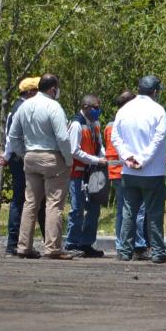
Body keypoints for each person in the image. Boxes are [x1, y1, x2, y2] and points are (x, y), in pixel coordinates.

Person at [7, 74, 75, 260]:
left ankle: (23, 246)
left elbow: (13, 136)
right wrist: (68, 159)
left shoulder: (25, 105)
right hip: (52, 157)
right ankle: (52, 248)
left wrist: (22, 154)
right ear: (53, 89)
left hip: (30, 156)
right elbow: (62, 137)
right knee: (54, 203)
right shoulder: (54, 106)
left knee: (30, 203)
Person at [112, 75, 166, 264]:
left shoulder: (125, 109)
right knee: (154, 213)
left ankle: (124, 250)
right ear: (155, 92)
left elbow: (115, 137)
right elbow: (158, 139)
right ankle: (157, 252)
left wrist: (128, 157)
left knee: (129, 211)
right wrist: (143, 159)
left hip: (129, 171)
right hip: (152, 171)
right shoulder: (158, 110)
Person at [0, 76, 46, 256]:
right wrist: (9, 155)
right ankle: (13, 243)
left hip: (20, 158)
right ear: (31, 92)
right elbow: (12, 137)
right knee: (21, 200)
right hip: (22, 160)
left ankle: (26, 242)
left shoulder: (19, 107)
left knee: (34, 200)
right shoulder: (21, 109)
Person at [104, 91, 147, 258]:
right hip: (127, 170)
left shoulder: (110, 125)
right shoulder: (128, 123)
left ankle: (123, 245)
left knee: (124, 211)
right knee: (135, 210)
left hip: (117, 171)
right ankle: (136, 245)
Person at [64, 94, 107, 258]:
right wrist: (97, 160)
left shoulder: (95, 124)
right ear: (86, 107)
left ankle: (86, 243)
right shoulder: (76, 124)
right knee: (77, 208)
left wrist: (102, 158)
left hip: (93, 172)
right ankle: (72, 243)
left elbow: (99, 145)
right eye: (95, 107)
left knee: (94, 208)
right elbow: (74, 151)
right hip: (78, 173)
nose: (98, 110)